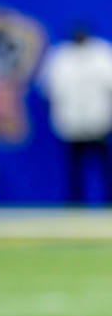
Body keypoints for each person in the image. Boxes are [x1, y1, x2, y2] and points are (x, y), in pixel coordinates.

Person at [39, 26, 112, 204]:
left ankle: (108, 201)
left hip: (99, 122)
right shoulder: (60, 56)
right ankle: (75, 204)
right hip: (71, 123)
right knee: (74, 168)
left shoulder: (102, 53)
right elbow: (48, 88)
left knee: (105, 166)